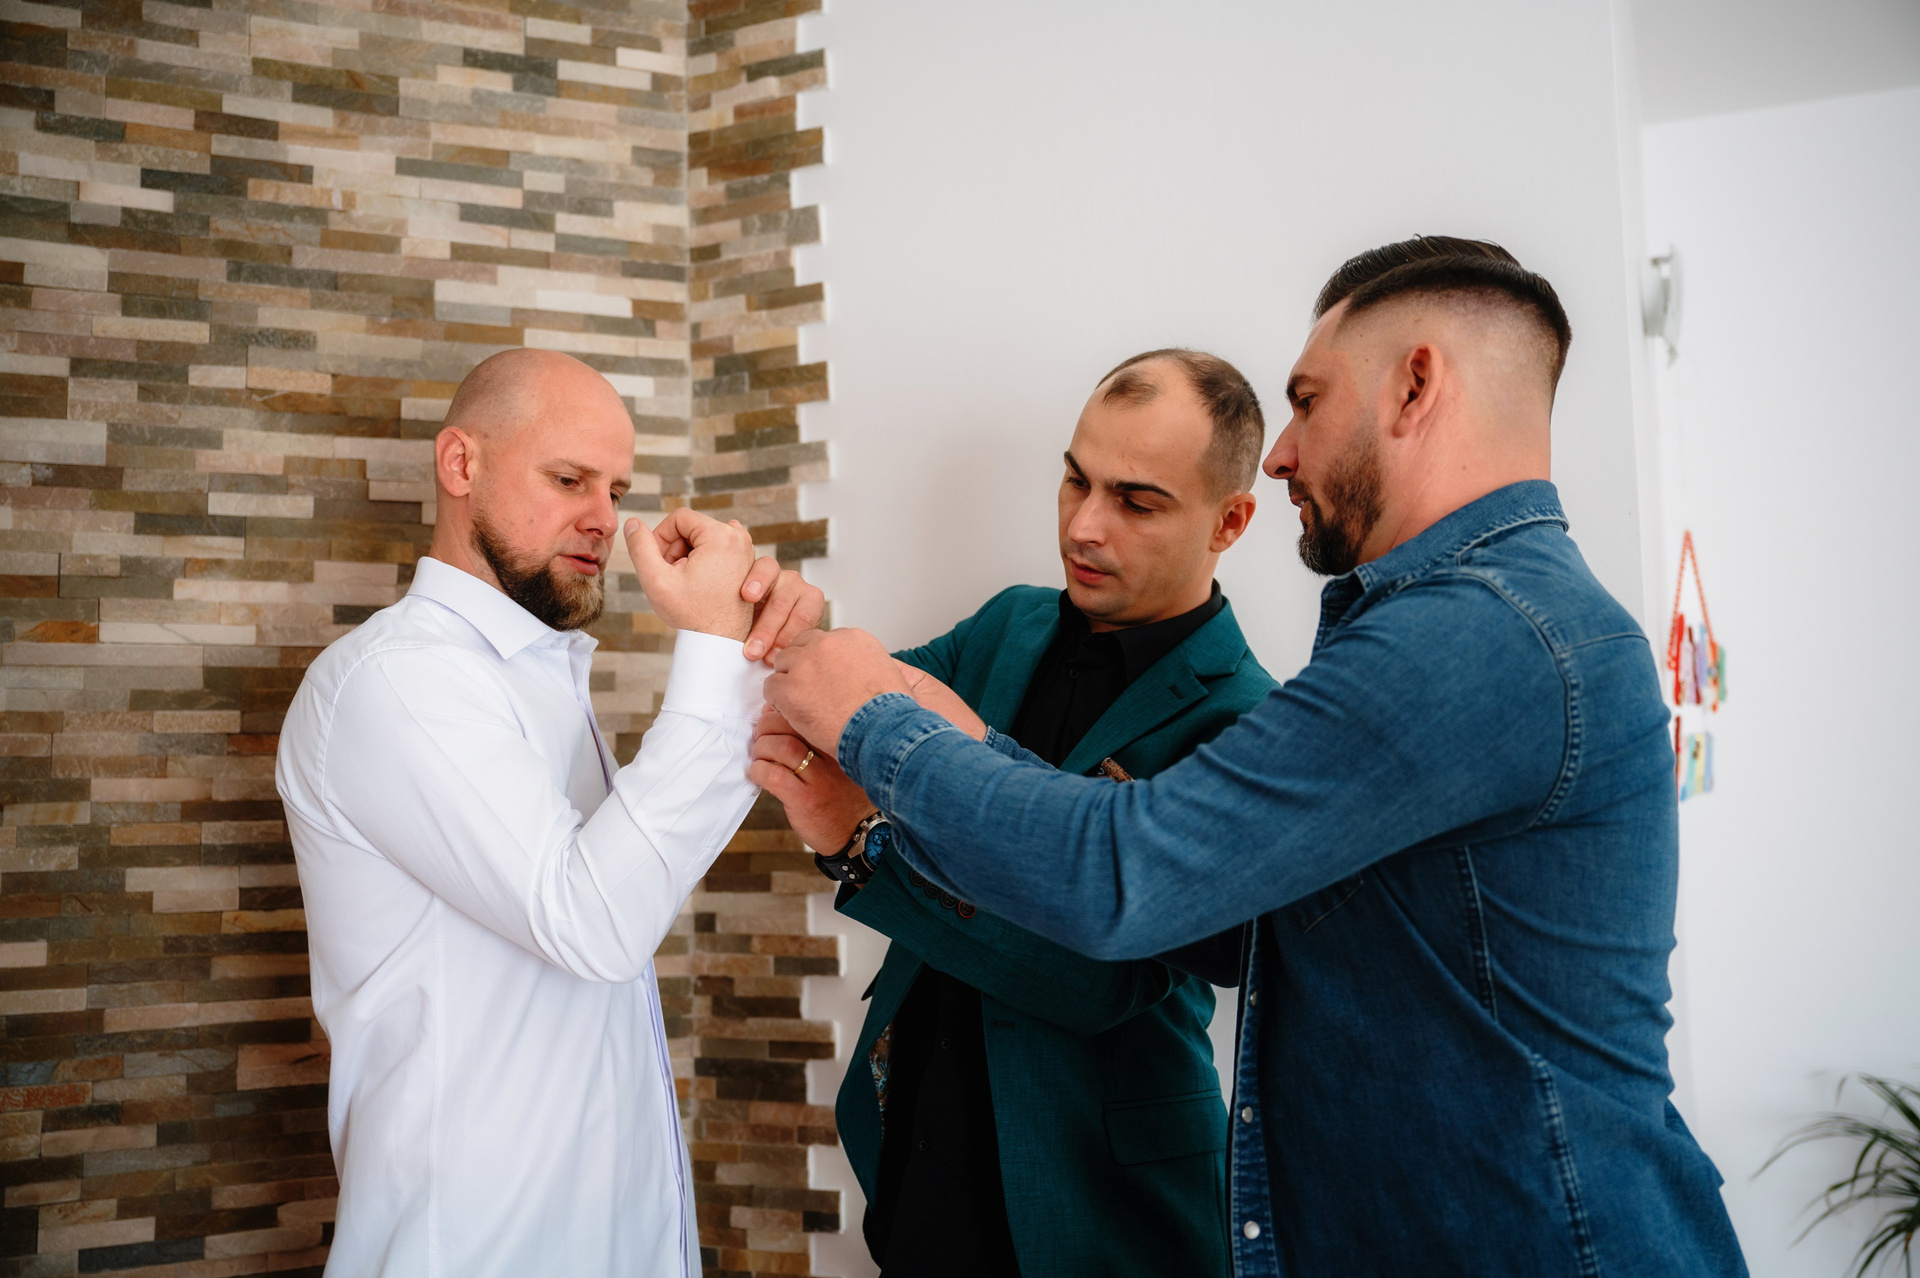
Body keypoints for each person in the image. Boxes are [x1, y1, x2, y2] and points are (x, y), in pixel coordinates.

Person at [759, 239, 1750, 1277]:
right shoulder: (1469, 623)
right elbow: (1240, 928)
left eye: (1307, 401)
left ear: (1415, 387)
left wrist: (875, 733)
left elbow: (1126, 876)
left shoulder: (1481, 634)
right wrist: (852, 684)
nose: (1281, 454)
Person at [275, 349, 824, 1278]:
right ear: (461, 464)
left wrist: (755, 652)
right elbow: (592, 921)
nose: (604, 517)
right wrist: (715, 648)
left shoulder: (535, 678)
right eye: (570, 480)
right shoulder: (399, 681)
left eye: (617, 490)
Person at [753, 350, 1275, 1277]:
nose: (1083, 525)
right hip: (916, 1161)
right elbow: (842, 721)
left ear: (1229, 521)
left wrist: (863, 842)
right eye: (1075, 479)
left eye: (1136, 501)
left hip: (1100, 1208)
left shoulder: (1243, 723)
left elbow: (1094, 979)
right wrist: (752, 609)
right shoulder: (1010, 625)